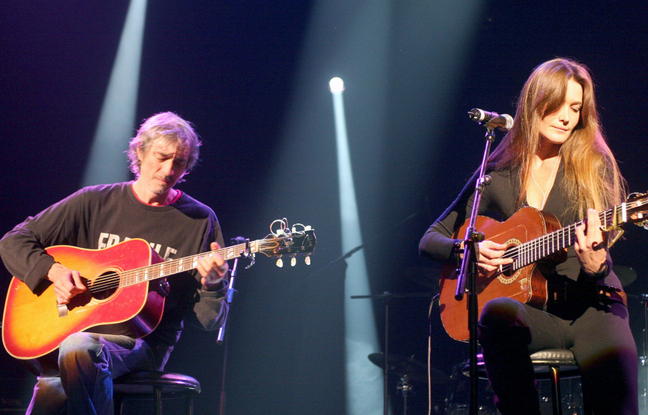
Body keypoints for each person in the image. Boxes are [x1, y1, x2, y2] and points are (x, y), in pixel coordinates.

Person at [419, 58, 638, 415]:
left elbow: (600, 248)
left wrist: (597, 264)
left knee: (615, 401)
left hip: (591, 306)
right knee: (497, 310)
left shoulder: (592, 165)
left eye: (576, 108)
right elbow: (431, 238)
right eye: (557, 104)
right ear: (533, 103)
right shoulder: (497, 172)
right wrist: (466, 252)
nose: (566, 117)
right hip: (536, 312)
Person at [0, 111, 230, 415]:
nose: (168, 170)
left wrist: (213, 285)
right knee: (59, 376)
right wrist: (53, 272)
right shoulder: (94, 202)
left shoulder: (200, 220)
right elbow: (13, 241)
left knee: (77, 350)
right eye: (161, 157)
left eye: (180, 163)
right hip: (76, 326)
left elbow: (208, 321)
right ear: (140, 151)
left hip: (143, 342)